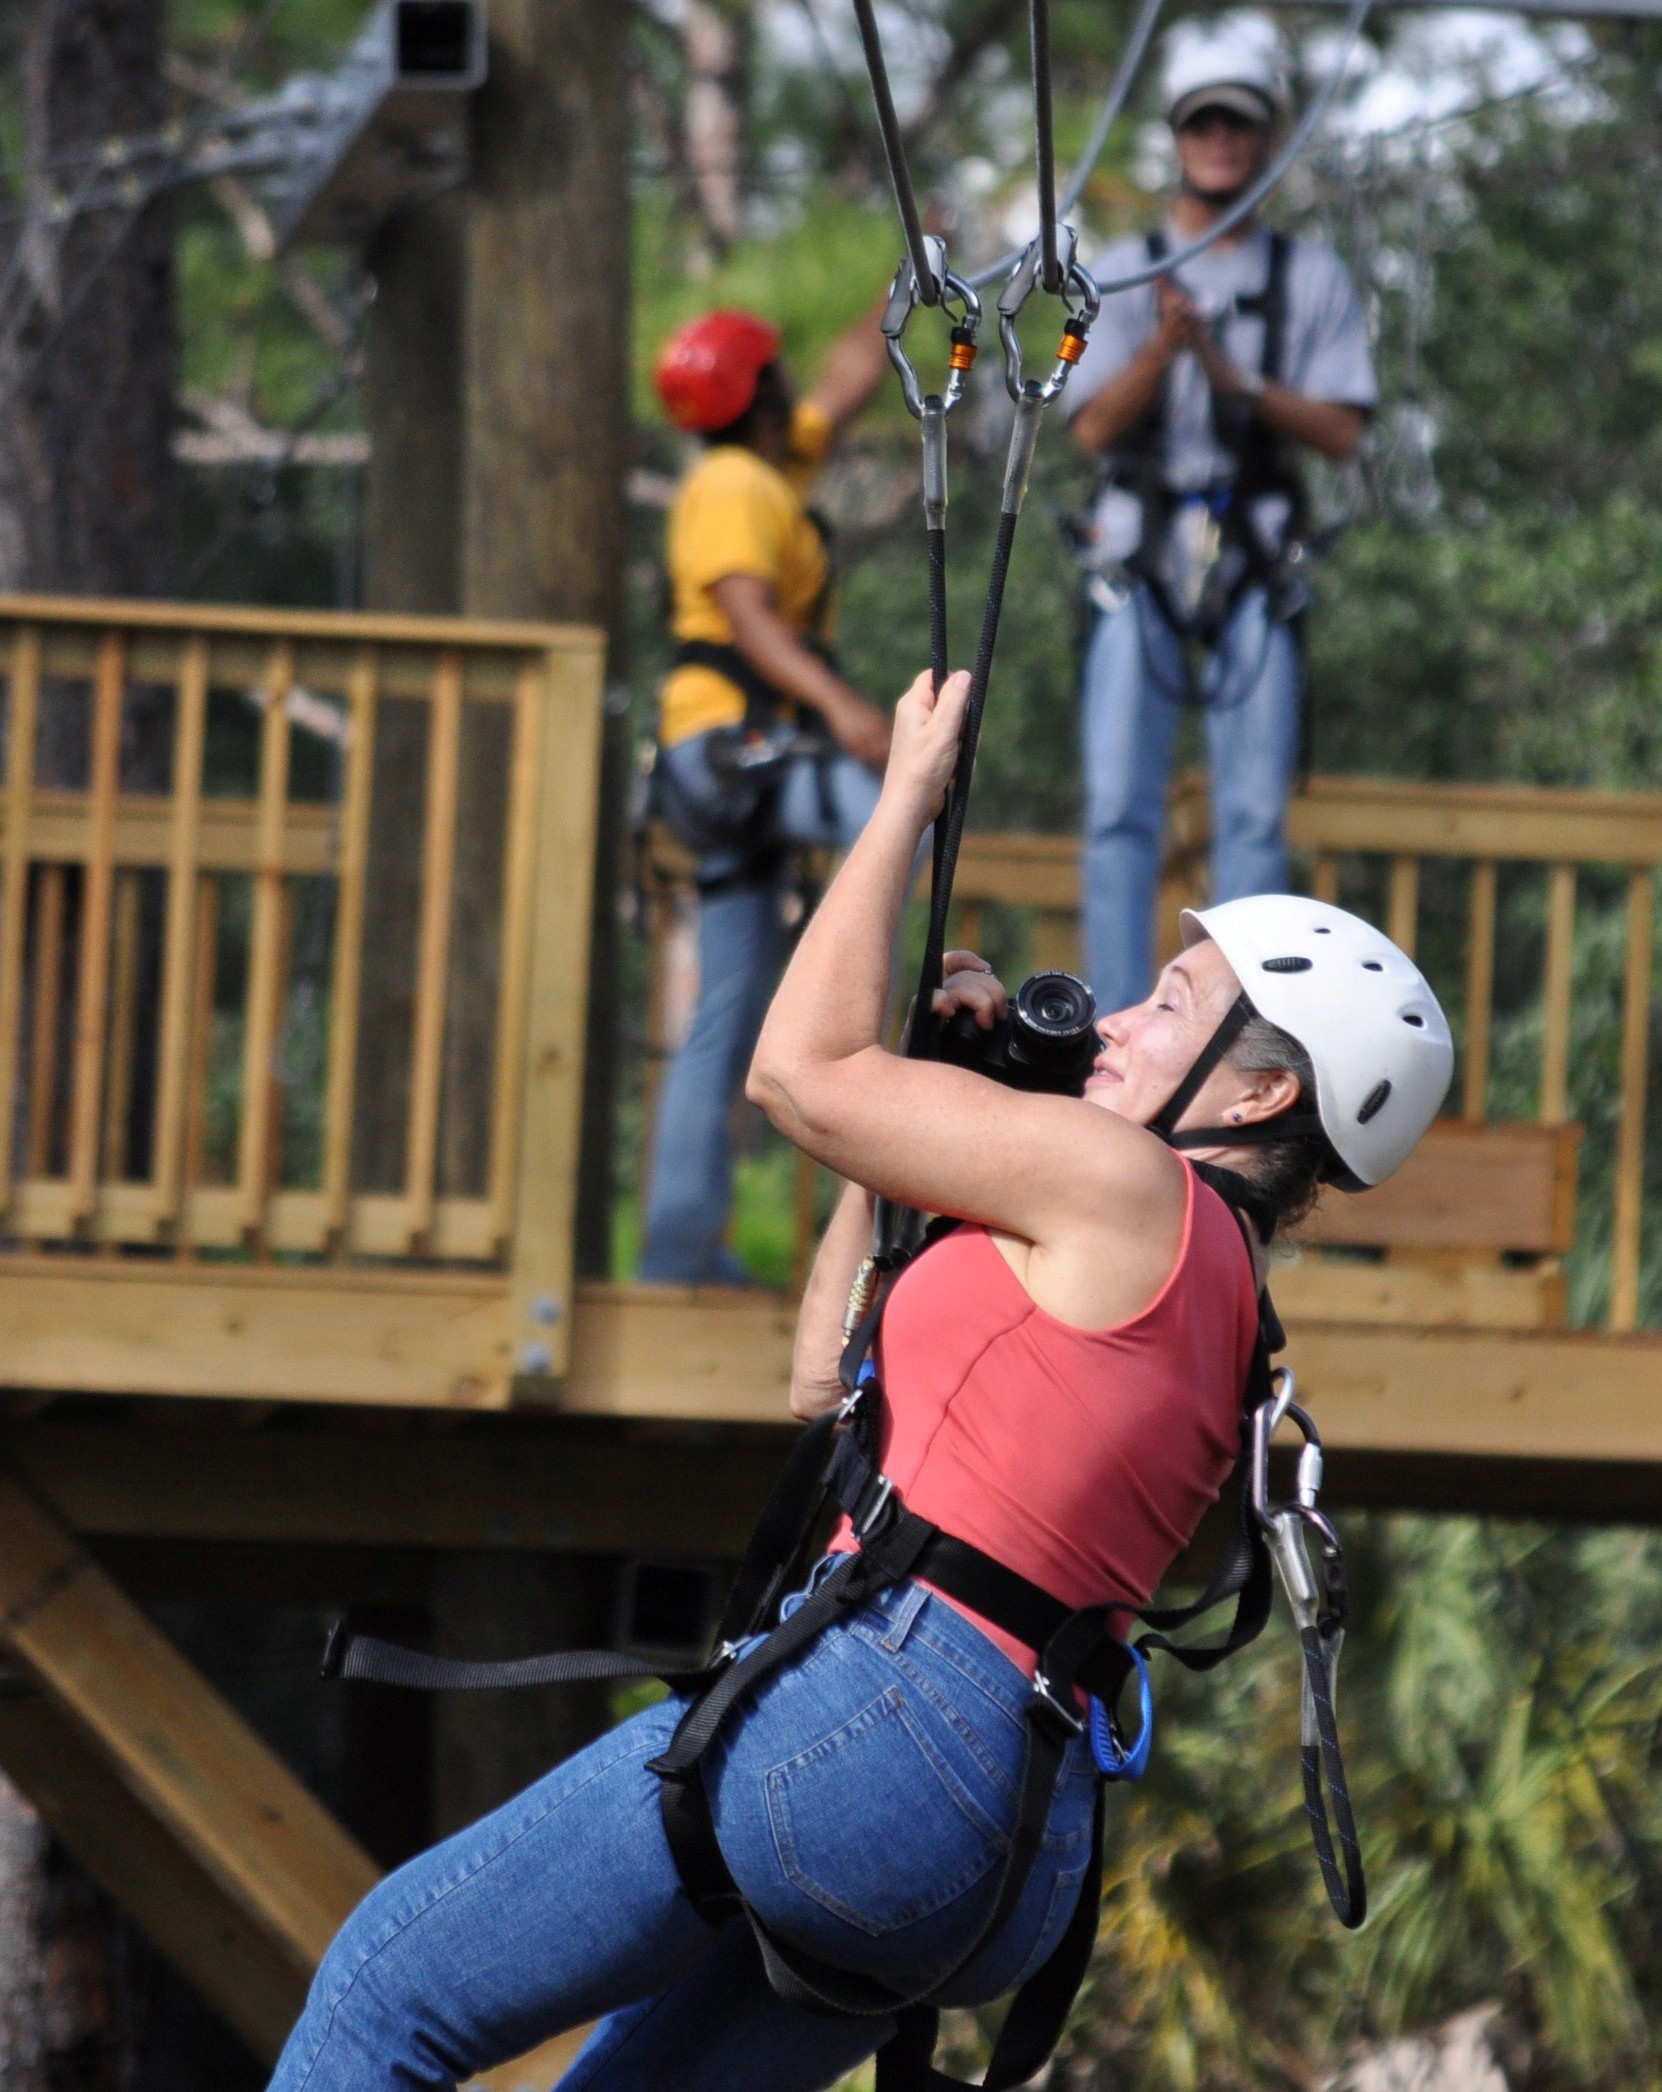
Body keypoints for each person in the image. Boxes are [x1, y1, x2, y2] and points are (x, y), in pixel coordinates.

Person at [268, 666, 1452, 2092]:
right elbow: (823, 1376)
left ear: (1259, 1095)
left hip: (885, 1723)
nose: (1123, 1020)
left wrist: (900, 800)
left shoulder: (1129, 1189)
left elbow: (792, 1076)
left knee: (387, 1988)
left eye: (1168, 1002)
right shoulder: (1217, 1293)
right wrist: (923, 1110)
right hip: (1005, 1828)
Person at [1068, 10, 1378, 1015]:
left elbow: (1341, 431)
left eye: (1238, 125)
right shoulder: (1122, 267)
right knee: (1120, 807)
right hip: (1141, 550)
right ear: (1175, 132)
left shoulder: (1308, 276)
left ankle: (1230, 1031)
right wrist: (1163, 354)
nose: (1218, 142)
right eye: (1201, 124)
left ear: (1266, 136)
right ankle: (1112, 1030)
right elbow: (1089, 429)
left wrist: (1230, 376)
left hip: (1255, 551)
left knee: (1253, 815)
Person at [640, 302, 896, 1285]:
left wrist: (890, 299)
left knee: (727, 1003)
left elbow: (840, 387)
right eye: (774, 374)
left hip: (724, 768)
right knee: (890, 812)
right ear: (756, 395)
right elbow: (747, 617)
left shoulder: (763, 468)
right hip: (727, 750)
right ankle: (863, 1012)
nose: (793, 386)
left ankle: (677, 1246)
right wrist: (843, 708)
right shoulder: (737, 484)